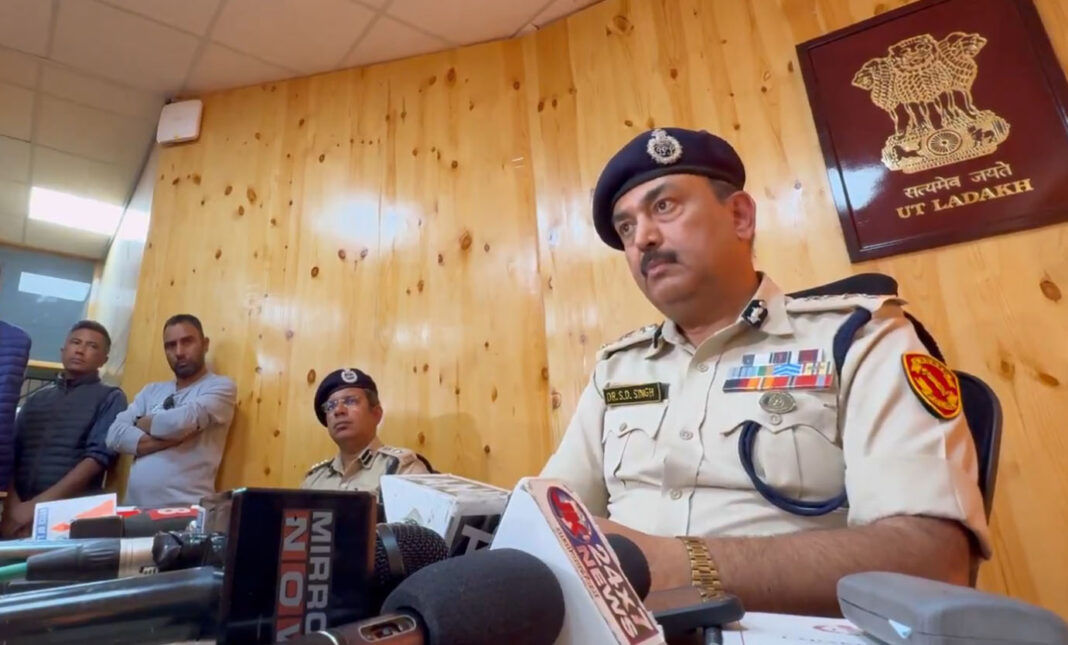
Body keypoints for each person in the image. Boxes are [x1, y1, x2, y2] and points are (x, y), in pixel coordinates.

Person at [540, 127, 989, 616]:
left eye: (664, 206)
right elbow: (552, 517)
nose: (643, 238)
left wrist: (678, 565)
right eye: (626, 229)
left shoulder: (858, 340)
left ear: (740, 216)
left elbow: (932, 560)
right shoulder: (617, 369)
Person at [1, 321, 126, 538]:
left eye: (92, 346)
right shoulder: (36, 399)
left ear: (104, 359)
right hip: (15, 515)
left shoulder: (111, 397)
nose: (80, 349)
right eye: (75, 342)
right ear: (63, 349)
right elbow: (11, 454)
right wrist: (12, 509)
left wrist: (35, 509)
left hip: (70, 517)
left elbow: (96, 459)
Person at [105, 314, 235, 507]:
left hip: (185, 513)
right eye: (170, 345)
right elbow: (114, 435)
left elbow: (180, 423)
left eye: (187, 342)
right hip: (133, 511)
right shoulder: (151, 391)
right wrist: (174, 437)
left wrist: (141, 422)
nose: (179, 351)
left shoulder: (221, 387)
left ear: (205, 344)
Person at [302, 368, 428, 495]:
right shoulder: (314, 481)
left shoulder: (403, 470)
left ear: (376, 414)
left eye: (350, 401)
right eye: (330, 406)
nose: (338, 411)